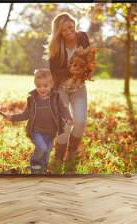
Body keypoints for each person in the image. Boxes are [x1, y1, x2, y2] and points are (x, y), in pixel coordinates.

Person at [45, 12, 93, 173]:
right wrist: (69, 70)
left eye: (70, 27)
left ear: (74, 24)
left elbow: (89, 59)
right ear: (59, 32)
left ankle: (72, 152)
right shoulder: (55, 46)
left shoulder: (83, 37)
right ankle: (59, 156)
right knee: (66, 124)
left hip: (78, 86)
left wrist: (86, 67)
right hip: (61, 88)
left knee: (80, 121)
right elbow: (54, 73)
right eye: (64, 30)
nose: (68, 31)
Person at [6, 68, 72, 174]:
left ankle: (42, 170)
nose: (42, 89)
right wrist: (13, 118)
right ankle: (34, 162)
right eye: (38, 86)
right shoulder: (32, 100)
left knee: (47, 151)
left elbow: (63, 109)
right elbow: (25, 115)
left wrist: (68, 118)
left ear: (51, 84)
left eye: (45, 86)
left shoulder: (55, 97)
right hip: (36, 131)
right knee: (42, 148)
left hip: (51, 132)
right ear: (35, 85)